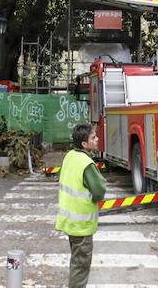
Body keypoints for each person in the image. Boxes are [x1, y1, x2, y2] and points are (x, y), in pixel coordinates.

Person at [55, 122, 106, 288]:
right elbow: (99, 191)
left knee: (76, 261)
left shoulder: (70, 156)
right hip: (82, 226)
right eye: (94, 137)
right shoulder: (87, 163)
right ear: (84, 144)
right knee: (81, 266)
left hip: (69, 222)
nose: (97, 139)